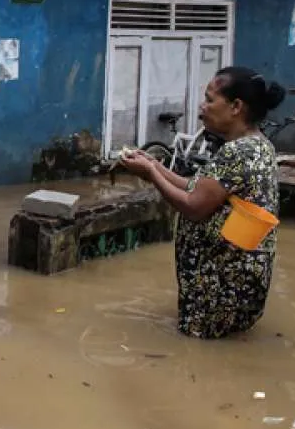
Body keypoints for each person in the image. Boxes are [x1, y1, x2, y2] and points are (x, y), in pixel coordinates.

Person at [120, 67, 286, 339]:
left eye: (210, 100)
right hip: (238, 284)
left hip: (219, 287)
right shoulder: (258, 144)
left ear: (235, 107)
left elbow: (193, 206)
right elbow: (197, 188)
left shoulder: (238, 152)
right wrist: (154, 164)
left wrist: (150, 174)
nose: (202, 106)